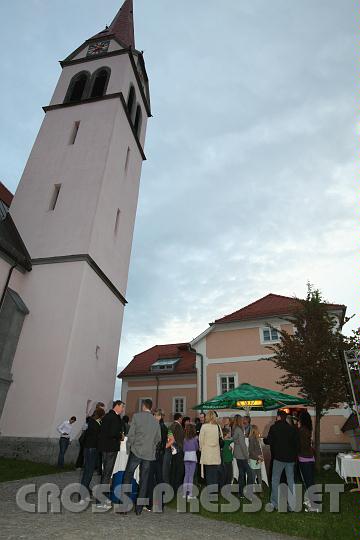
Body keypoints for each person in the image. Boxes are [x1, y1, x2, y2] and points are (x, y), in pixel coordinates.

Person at [122, 399, 161, 515]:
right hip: (149, 454)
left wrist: (130, 447)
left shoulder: (137, 417)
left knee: (128, 476)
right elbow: (158, 439)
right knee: (144, 480)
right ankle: (139, 509)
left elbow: (131, 434)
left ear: (143, 406)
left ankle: (124, 506)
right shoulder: (155, 421)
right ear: (151, 407)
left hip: (136, 451)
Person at [264, 409, 299, 511]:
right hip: (290, 459)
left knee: (275, 480)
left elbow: (269, 441)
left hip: (279, 458)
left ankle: (275, 503)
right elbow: (296, 444)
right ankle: (292, 505)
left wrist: (265, 440)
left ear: (278, 417)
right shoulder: (292, 429)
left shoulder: (274, 428)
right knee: (291, 480)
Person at [97, 400, 125, 508]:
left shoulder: (109, 416)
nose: (122, 409)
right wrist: (120, 436)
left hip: (106, 448)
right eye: (122, 407)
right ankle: (101, 500)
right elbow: (113, 433)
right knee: (107, 474)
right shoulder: (113, 417)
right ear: (117, 406)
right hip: (110, 448)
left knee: (106, 473)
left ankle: (103, 498)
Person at [79, 407, 105, 502]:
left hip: (91, 449)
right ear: (101, 415)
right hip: (91, 449)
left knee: (88, 472)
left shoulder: (95, 422)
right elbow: (97, 436)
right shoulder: (93, 423)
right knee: (88, 472)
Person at [147, 408, 168, 510]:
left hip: (153, 455)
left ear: (159, 416)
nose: (153, 417)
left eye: (155, 415)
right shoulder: (164, 427)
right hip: (160, 455)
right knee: (159, 478)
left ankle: (150, 503)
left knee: (151, 479)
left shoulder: (157, 427)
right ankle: (161, 503)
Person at [199, 410, 222, 495]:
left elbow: (201, 440)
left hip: (207, 453)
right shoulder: (218, 426)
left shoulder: (204, 427)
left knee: (208, 474)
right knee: (215, 474)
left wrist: (201, 449)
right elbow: (221, 438)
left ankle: (210, 493)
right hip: (215, 453)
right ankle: (214, 493)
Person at [76, 402, 105, 469]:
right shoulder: (93, 417)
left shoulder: (98, 418)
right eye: (102, 409)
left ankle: (88, 466)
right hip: (87, 438)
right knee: (83, 453)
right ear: (98, 408)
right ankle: (79, 465)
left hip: (91, 439)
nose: (103, 411)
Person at [298, 410, 317, 511]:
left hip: (303, 458)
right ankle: (312, 501)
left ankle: (313, 504)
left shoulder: (301, 430)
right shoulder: (308, 430)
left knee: (307, 481)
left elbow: (300, 445)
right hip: (310, 457)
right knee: (311, 480)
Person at [233, 415, 253, 497]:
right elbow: (242, 444)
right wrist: (247, 456)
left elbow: (235, 440)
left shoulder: (235, 429)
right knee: (250, 473)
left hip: (237, 455)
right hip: (242, 455)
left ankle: (241, 493)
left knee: (241, 474)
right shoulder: (239, 430)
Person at [183, 423, 199, 499]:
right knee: (191, 476)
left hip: (186, 456)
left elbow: (184, 449)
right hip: (192, 457)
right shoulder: (195, 438)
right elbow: (197, 447)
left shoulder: (185, 439)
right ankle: (190, 494)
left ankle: (184, 493)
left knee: (186, 475)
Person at [170, 413, 185, 493]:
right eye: (181, 418)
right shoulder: (178, 426)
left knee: (173, 469)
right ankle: (177, 487)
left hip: (173, 450)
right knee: (179, 470)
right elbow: (180, 439)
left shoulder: (171, 426)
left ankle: (173, 487)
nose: (182, 420)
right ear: (179, 418)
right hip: (178, 450)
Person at [248, 425, 263, 490]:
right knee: (254, 475)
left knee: (258, 475)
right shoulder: (252, 438)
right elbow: (251, 450)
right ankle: (253, 489)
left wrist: (260, 457)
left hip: (257, 459)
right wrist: (258, 456)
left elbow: (258, 449)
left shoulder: (256, 438)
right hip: (254, 459)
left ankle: (260, 488)